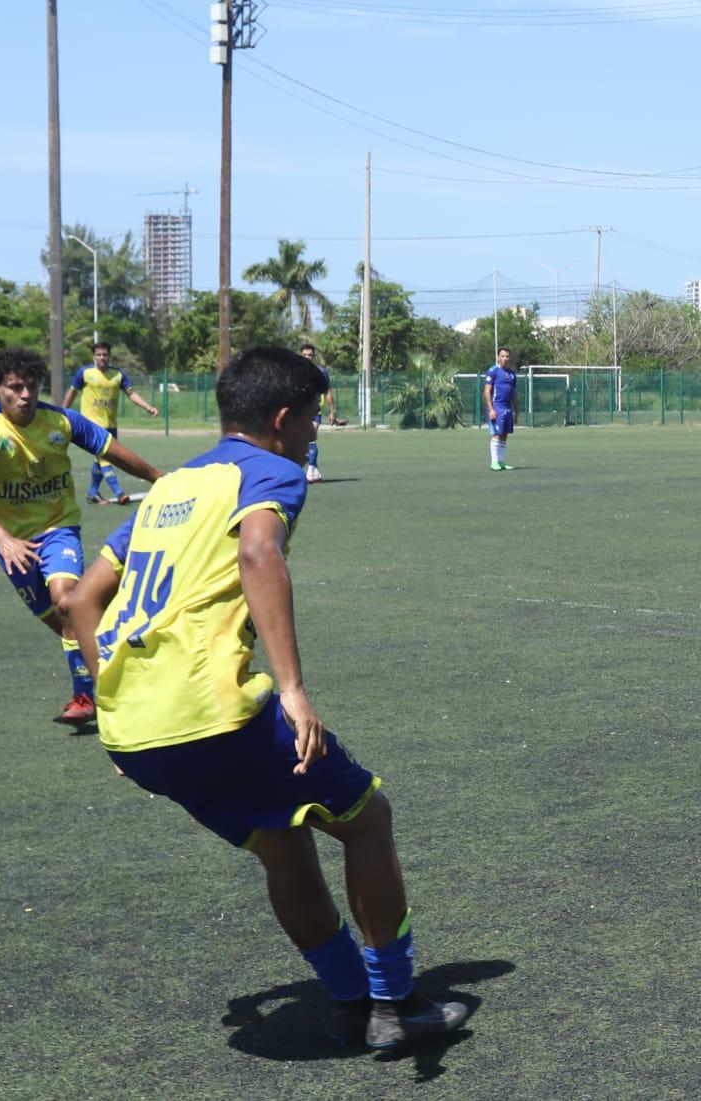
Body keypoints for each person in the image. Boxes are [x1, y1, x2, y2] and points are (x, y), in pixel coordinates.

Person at [64, 345, 466, 1050]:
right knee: (366, 819)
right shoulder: (272, 471)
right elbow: (258, 553)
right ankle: (395, 1005)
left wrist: (112, 707)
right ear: (282, 418)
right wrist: (293, 690)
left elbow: (82, 601)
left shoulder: (169, 487)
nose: (316, 432)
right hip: (212, 711)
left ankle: (351, 1002)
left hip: (137, 731)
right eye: (314, 418)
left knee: (283, 846)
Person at [0, 348, 163, 727]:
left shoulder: (63, 420)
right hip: (12, 543)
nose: (25, 395)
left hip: (57, 528)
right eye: (15, 388)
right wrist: (3, 539)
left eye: (31, 386)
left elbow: (112, 451)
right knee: (69, 625)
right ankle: (126, 641)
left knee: (67, 603)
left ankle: (88, 698)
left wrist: (161, 479)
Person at [62, 341, 160, 504]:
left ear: (109, 356)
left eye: (105, 355)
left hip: (111, 425)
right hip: (90, 425)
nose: (102, 358)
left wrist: (147, 406)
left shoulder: (118, 374)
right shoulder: (84, 373)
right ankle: (119, 492)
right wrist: (62, 412)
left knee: (100, 458)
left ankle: (93, 492)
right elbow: (72, 393)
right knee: (106, 458)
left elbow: (131, 394)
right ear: (93, 356)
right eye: (99, 355)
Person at [299, 343, 337, 483]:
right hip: (298, 410)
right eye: (305, 355)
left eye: (310, 355)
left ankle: (310, 472)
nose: (307, 357)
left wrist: (332, 411)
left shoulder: (321, 372)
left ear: (314, 356)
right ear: (300, 355)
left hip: (315, 410)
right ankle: (314, 469)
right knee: (302, 440)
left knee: (310, 438)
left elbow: (327, 391)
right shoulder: (295, 371)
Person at [483, 346, 518, 471]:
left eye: (507, 356)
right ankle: (494, 462)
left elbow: (514, 393)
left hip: (508, 408)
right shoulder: (493, 371)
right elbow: (487, 391)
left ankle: (502, 462)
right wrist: (491, 409)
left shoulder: (512, 374)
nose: (505, 358)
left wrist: (516, 411)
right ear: (498, 357)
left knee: (504, 435)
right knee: (497, 435)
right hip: (497, 407)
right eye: (502, 356)